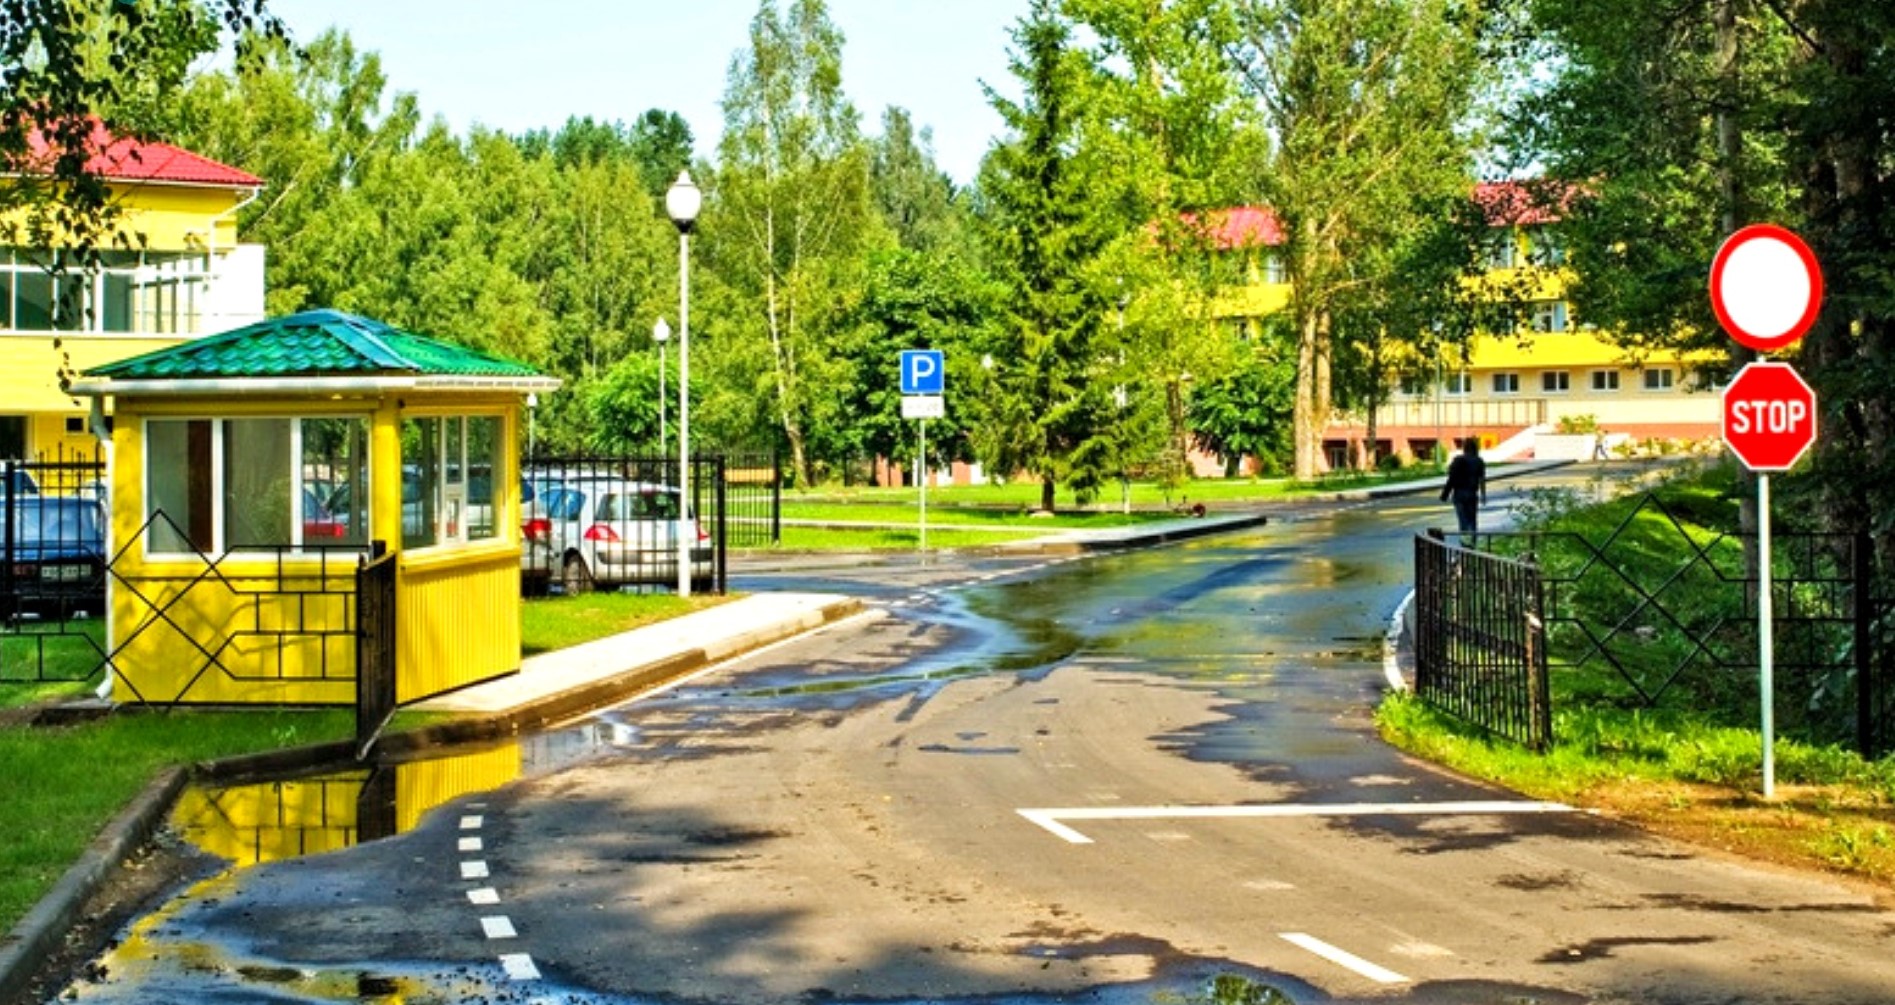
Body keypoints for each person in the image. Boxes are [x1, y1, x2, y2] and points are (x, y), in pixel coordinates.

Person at [1440, 438, 1487, 538]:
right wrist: (1483, 495)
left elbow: (1451, 478)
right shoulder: (1479, 461)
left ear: (1464, 448)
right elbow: (1482, 479)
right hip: (1472, 494)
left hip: (1459, 494)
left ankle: (1465, 542)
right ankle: (1472, 542)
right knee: (1472, 520)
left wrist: (1445, 494)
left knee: (1462, 520)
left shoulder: (1458, 460)